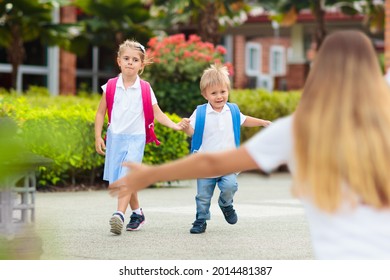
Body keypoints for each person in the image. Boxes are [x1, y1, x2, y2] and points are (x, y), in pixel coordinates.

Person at [108, 30, 390, 259]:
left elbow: (214, 163)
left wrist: (151, 174)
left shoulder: (298, 130)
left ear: (320, 72)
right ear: (372, 71)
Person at [95, 39, 189, 235]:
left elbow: (158, 113)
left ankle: (118, 214)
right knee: (119, 179)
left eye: (135, 59)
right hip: (115, 138)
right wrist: (98, 136)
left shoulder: (145, 88)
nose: (130, 62)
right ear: (118, 60)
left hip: (136, 139)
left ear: (142, 64)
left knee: (126, 178)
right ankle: (137, 213)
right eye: (126, 58)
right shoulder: (110, 86)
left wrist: (175, 125)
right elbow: (100, 113)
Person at [181, 64, 271, 234]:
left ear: (228, 91)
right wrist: (185, 126)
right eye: (213, 93)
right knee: (203, 196)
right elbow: (192, 131)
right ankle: (201, 219)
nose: (219, 96)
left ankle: (226, 204)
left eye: (223, 92)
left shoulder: (233, 111)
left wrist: (263, 122)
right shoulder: (200, 112)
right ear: (204, 94)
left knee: (230, 185)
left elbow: (244, 121)